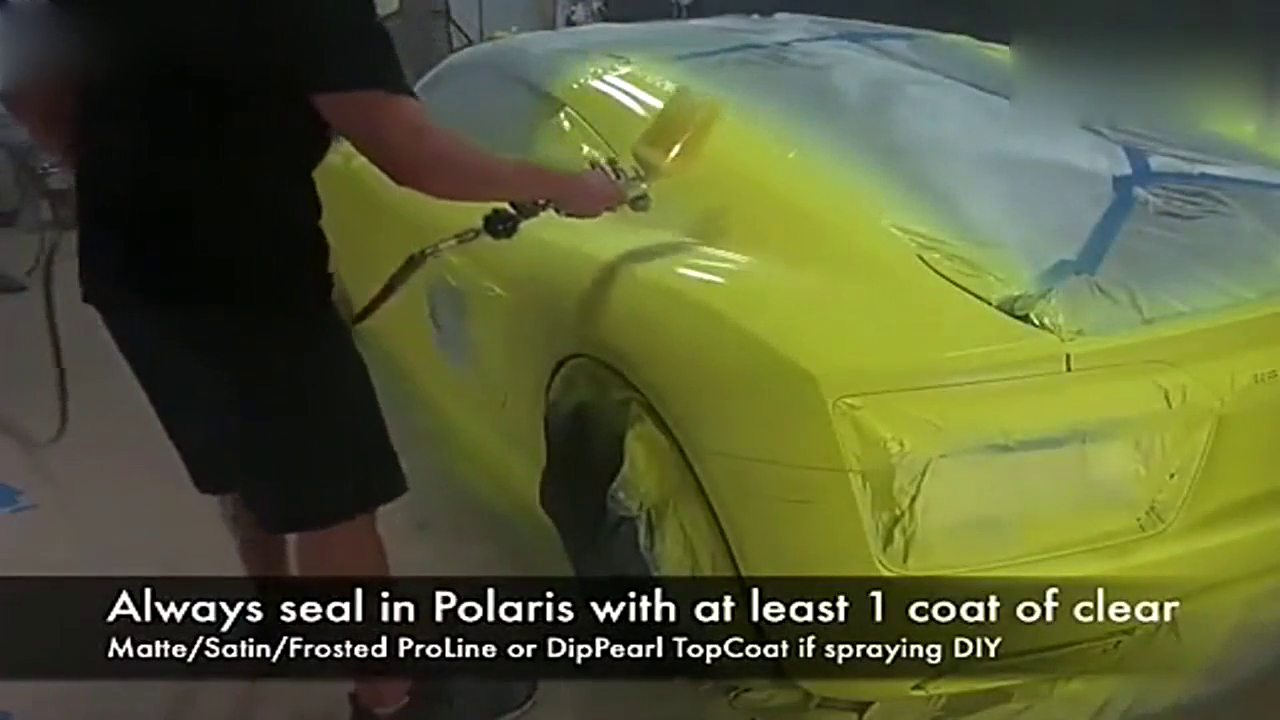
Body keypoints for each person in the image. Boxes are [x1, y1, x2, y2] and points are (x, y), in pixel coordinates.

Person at [0, 0, 626, 719]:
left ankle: (275, 612)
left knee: (239, 456)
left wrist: (116, 164)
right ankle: (391, 696)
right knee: (335, 497)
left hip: (128, 264)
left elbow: (29, 80)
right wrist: (563, 184)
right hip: (249, 277)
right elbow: (408, 150)